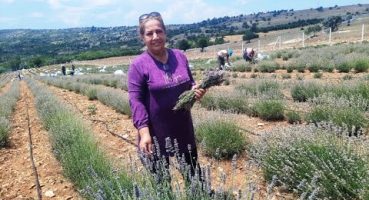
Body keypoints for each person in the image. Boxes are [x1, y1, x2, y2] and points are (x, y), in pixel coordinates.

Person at [128, 11, 206, 185]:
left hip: (183, 129)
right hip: (156, 134)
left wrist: (196, 91)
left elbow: (190, 83)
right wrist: (144, 133)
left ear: (165, 32)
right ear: (142, 37)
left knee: (194, 178)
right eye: (149, 33)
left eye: (159, 31)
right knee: (162, 184)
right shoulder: (138, 65)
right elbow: (136, 101)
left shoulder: (180, 56)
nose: (155, 37)